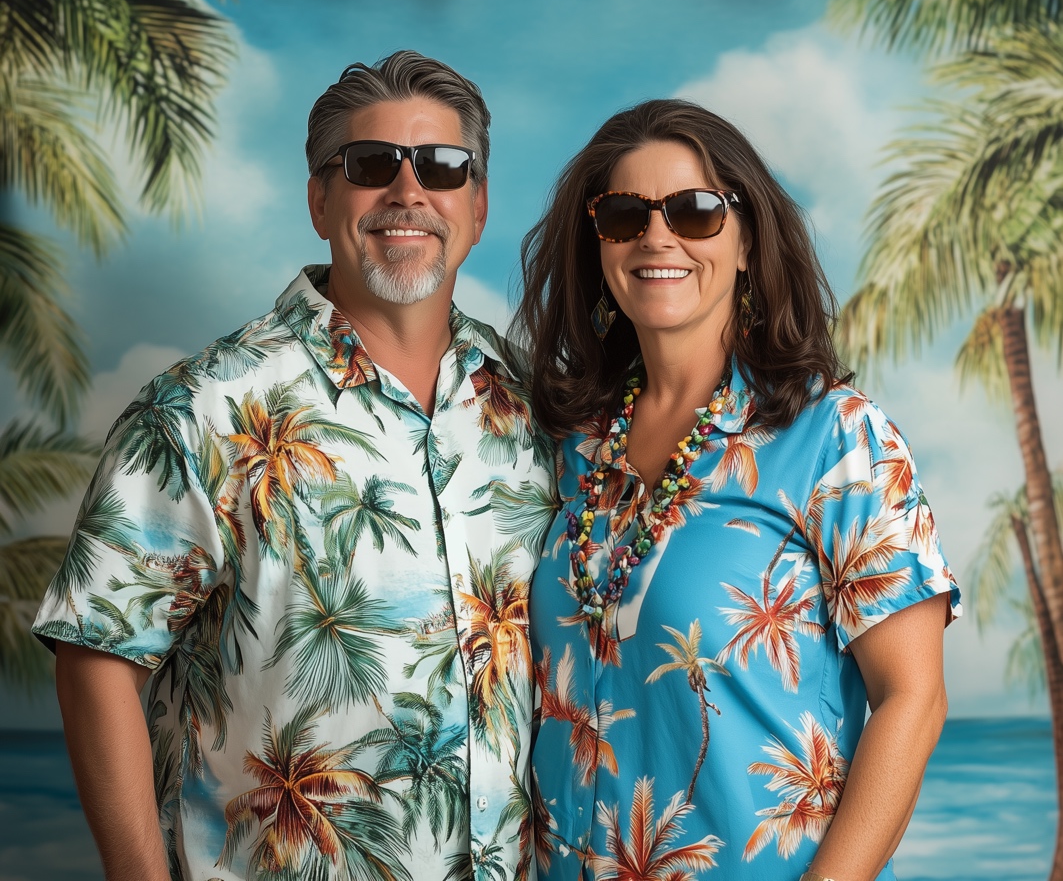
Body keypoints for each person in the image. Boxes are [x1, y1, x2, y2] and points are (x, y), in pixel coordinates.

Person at [33, 51, 554, 881]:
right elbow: (95, 657)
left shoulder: (536, 407)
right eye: (372, 164)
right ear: (320, 199)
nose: (408, 192)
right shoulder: (200, 409)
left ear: (479, 206)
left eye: (444, 167)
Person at [513, 99, 961, 881]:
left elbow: (912, 702)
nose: (658, 237)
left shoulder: (836, 439)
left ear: (748, 239)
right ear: (598, 243)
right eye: (625, 214)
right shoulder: (570, 446)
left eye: (693, 212)